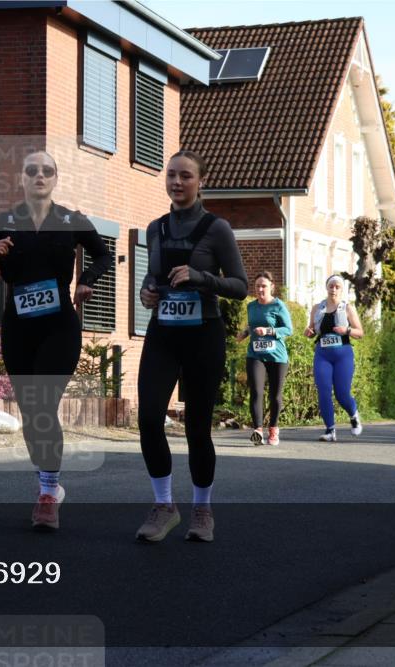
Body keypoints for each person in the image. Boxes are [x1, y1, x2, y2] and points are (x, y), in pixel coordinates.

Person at [0, 150, 110, 531]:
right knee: (32, 413)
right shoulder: (3, 223)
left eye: (46, 171)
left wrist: (86, 281)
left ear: (55, 178)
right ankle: (47, 481)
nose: (38, 176)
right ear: (22, 179)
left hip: (59, 326)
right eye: (31, 170)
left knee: (44, 405)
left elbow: (103, 254)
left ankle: (48, 495)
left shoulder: (70, 220)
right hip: (19, 327)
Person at [134, 150, 248, 543]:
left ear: (201, 181)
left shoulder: (217, 229)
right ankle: (164, 505)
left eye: (185, 176)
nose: (177, 182)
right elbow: (151, 278)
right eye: (171, 175)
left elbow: (239, 286)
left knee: (198, 428)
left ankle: (202, 510)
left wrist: (202, 277)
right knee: (149, 418)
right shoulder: (155, 228)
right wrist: (146, 293)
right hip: (163, 333)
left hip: (204, 335)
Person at [303, 275, 364, 442]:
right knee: (323, 391)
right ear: (326, 288)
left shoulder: (348, 308)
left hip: (343, 354)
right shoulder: (317, 308)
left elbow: (360, 332)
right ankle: (330, 430)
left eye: (337, 286)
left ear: (341, 289)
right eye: (331, 286)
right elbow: (312, 329)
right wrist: (308, 332)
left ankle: (353, 414)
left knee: (342, 394)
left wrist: (347, 330)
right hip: (322, 354)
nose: (334, 289)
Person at [235, 271, 293, 446]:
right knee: (256, 392)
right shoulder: (251, 306)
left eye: (264, 286)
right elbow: (251, 325)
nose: (260, 289)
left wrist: (269, 331)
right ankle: (257, 430)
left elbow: (288, 329)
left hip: (277, 357)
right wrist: (244, 333)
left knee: (275, 396)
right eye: (258, 286)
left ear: (271, 287)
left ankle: (273, 430)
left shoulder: (278, 306)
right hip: (255, 354)